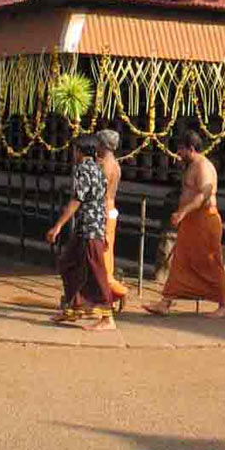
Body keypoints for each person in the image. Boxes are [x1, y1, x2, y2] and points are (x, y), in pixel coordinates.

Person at [144, 131, 225, 318]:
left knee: (211, 262)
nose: (178, 153)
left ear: (191, 149)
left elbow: (204, 194)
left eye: (181, 149)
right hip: (191, 221)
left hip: (205, 220)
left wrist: (183, 212)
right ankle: (165, 302)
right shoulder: (191, 165)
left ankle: (224, 304)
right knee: (180, 261)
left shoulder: (204, 167)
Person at [46, 135, 115, 331]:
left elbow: (77, 200)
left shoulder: (84, 169)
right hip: (88, 227)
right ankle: (73, 307)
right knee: (68, 263)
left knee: (96, 270)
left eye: (74, 150)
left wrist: (58, 225)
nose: (73, 154)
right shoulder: (98, 170)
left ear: (80, 151)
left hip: (90, 229)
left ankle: (107, 316)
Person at [96, 128, 129, 313]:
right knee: (104, 259)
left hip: (104, 214)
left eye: (99, 144)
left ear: (104, 146)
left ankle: (119, 291)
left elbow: (100, 196)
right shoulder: (115, 164)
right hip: (111, 211)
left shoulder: (105, 167)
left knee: (100, 260)